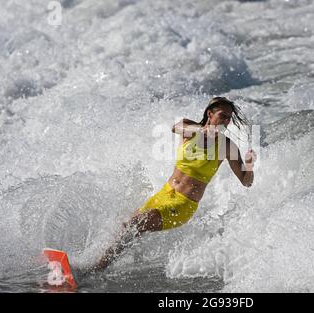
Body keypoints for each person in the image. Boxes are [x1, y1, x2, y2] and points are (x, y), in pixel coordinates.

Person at [92, 97, 257, 271]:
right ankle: (99, 264)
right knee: (127, 226)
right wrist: (204, 131)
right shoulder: (190, 129)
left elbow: (247, 182)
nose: (226, 121)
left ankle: (96, 269)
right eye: (222, 115)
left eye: (229, 118)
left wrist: (249, 165)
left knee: (136, 224)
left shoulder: (227, 146)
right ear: (210, 113)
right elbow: (175, 127)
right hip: (164, 194)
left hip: (183, 204)